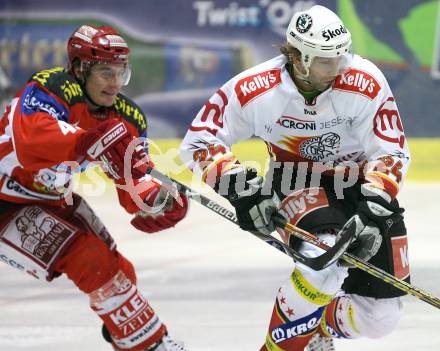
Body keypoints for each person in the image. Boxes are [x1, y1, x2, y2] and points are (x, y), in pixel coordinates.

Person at [180, 5, 410, 351]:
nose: (337, 67)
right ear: (298, 57)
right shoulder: (256, 89)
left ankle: (316, 325)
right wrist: (242, 191)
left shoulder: (365, 80)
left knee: (380, 319)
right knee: (322, 264)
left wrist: (373, 209)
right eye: (324, 60)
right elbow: (200, 140)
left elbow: (391, 150)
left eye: (340, 56)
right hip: (298, 180)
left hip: (361, 186)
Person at [0, 24, 189, 351]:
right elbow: (30, 142)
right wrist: (87, 140)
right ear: (79, 68)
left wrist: (158, 201)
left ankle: (133, 341)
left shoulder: (127, 119)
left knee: (121, 276)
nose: (115, 83)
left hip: (50, 198)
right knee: (91, 260)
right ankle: (154, 345)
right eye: (105, 72)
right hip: (5, 198)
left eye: (121, 72)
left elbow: (134, 188)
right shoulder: (49, 88)